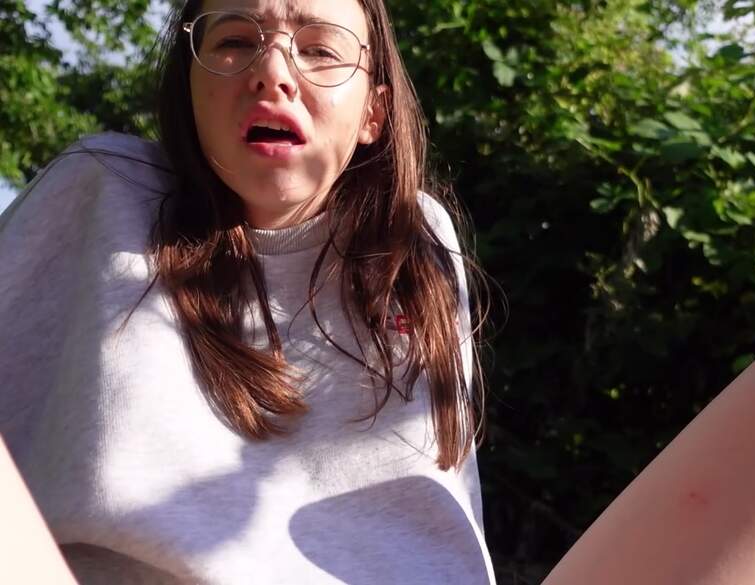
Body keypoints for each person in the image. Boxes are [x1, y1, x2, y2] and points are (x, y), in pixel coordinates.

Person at [0, 0, 494, 583]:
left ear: (374, 113)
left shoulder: (415, 239)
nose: (273, 72)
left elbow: (449, 505)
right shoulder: (103, 190)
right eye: (234, 42)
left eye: (320, 50)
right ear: (190, 85)